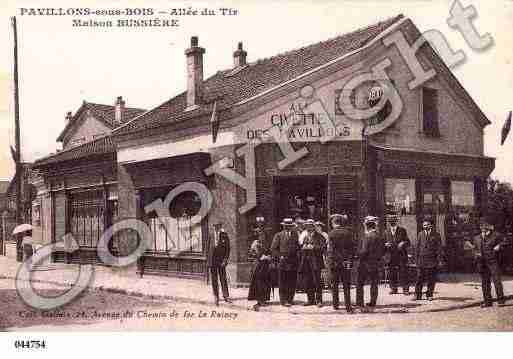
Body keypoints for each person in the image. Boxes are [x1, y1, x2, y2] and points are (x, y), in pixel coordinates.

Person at [466, 216, 508, 307]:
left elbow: (506, 241)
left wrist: (499, 246)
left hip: (493, 261)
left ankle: (501, 301)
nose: (483, 228)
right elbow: (474, 249)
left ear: (489, 226)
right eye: (481, 226)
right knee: (485, 283)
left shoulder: (496, 235)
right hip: (482, 263)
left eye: (484, 225)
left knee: (497, 281)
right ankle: (487, 301)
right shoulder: (477, 238)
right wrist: (476, 254)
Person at [327, 213, 356, 313]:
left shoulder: (331, 234)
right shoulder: (348, 233)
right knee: (346, 285)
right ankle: (348, 306)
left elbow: (330, 251)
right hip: (346, 263)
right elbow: (352, 249)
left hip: (335, 263)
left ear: (334, 223)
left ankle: (335, 305)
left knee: (334, 285)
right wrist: (350, 260)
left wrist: (330, 263)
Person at [356, 216, 384, 310]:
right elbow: (382, 251)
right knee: (374, 283)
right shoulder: (379, 236)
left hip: (365, 264)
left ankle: (359, 303)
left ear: (367, 226)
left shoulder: (367, 237)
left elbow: (364, 252)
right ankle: (373, 302)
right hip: (375, 264)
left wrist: (357, 255)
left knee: (360, 284)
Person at [271, 218, 300, 307]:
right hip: (283, 262)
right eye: (286, 226)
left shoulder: (295, 235)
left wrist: (298, 254)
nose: (288, 227)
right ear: (283, 226)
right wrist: (280, 256)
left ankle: (290, 299)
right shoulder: (278, 235)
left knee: (292, 281)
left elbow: (297, 247)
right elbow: (273, 248)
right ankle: (283, 300)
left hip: (293, 261)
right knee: (283, 281)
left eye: (290, 226)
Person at [298, 219, 326, 307]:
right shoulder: (305, 236)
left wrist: (313, 247)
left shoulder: (320, 236)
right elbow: (300, 247)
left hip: (316, 262)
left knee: (317, 282)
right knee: (308, 281)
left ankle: (319, 300)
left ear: (313, 227)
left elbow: (323, 248)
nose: (308, 227)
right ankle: (310, 300)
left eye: (310, 225)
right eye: (307, 226)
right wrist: (303, 247)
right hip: (306, 262)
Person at [413, 217, 442, 301]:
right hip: (421, 260)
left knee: (431, 278)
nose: (426, 226)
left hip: (432, 260)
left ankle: (429, 294)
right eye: (424, 225)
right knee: (419, 278)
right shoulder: (420, 234)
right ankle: (417, 295)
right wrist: (416, 260)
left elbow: (439, 248)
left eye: (428, 224)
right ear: (422, 225)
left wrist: (439, 260)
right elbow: (417, 248)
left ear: (431, 225)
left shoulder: (436, 235)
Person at [248, 218, 273, 311]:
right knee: (258, 281)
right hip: (258, 264)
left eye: (262, 233)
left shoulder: (267, 241)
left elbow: (270, 249)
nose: (261, 235)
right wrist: (259, 257)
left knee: (265, 280)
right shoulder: (255, 243)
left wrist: (268, 256)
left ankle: (265, 298)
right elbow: (251, 253)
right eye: (259, 233)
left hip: (265, 263)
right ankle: (259, 299)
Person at [384, 215, 411, 295]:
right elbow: (383, 243)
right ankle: (393, 288)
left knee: (403, 272)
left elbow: (408, 242)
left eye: (393, 220)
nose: (391, 222)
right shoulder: (386, 231)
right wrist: (385, 244)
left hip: (401, 255)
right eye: (390, 220)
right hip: (391, 255)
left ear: (396, 221)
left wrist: (403, 243)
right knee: (392, 272)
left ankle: (405, 289)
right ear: (388, 222)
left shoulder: (402, 230)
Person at [207, 222, 232, 306]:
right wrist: (208, 260)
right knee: (214, 280)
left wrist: (225, 260)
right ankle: (216, 296)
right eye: (214, 226)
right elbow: (207, 248)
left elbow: (228, 249)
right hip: (212, 260)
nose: (216, 228)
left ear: (220, 227)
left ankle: (226, 296)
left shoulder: (224, 235)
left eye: (218, 226)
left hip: (221, 261)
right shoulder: (210, 235)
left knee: (223, 278)